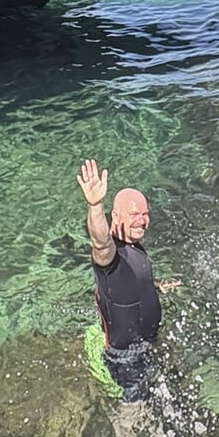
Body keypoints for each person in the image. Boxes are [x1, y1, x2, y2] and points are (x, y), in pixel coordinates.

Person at [79, 158, 160, 401]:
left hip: (146, 346)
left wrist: (157, 289)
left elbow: (134, 285)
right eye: (134, 213)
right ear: (115, 215)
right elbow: (101, 243)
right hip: (125, 359)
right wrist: (95, 205)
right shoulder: (111, 258)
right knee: (135, 414)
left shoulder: (134, 247)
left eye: (145, 214)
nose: (142, 220)